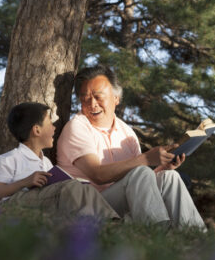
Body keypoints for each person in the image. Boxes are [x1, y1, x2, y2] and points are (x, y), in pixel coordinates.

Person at [56, 65, 206, 229]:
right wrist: (146, 159)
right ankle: (157, 234)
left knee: (169, 177)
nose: (92, 104)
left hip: (120, 201)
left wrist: (163, 166)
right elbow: (98, 175)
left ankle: (196, 238)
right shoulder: (77, 127)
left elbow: (138, 182)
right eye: (85, 98)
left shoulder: (126, 132)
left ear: (116, 98)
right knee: (142, 170)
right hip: (91, 207)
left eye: (98, 97)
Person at [0, 102, 119, 220]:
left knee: (86, 189)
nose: (54, 128)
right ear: (37, 130)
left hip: (44, 202)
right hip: (13, 206)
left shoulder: (46, 162)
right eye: (50, 123)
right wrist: (25, 182)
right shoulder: (9, 159)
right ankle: (94, 224)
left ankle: (113, 222)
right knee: (71, 187)